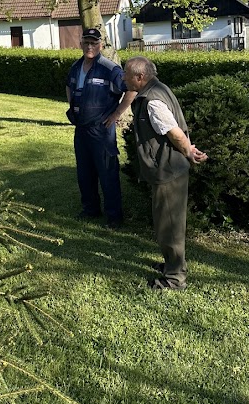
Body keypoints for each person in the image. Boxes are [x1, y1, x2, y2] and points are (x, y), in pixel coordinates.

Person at [124, 56, 207, 290]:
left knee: (169, 227)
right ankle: (172, 264)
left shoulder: (152, 101)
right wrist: (188, 150)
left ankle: (174, 278)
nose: (123, 78)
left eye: (126, 74)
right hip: (169, 168)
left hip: (168, 171)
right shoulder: (158, 89)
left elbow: (174, 132)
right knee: (168, 224)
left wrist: (188, 151)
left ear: (140, 77)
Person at [66, 28, 137, 228]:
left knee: (107, 173)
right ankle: (90, 209)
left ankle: (114, 216)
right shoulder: (76, 66)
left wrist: (117, 114)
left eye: (94, 43)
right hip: (81, 129)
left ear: (101, 45)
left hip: (101, 130)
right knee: (84, 173)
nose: (90, 46)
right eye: (86, 42)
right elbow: (69, 85)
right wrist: (72, 106)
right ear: (81, 43)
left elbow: (132, 88)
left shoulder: (109, 68)